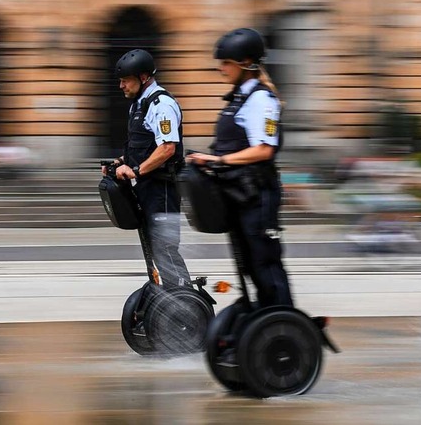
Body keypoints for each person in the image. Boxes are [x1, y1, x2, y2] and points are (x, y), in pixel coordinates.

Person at [187, 28, 293, 307]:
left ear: (245, 62)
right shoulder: (238, 99)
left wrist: (218, 161)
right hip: (237, 195)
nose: (221, 69)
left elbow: (264, 149)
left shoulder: (262, 100)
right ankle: (262, 320)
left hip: (257, 196)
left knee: (265, 264)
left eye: (226, 63)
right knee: (247, 264)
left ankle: (282, 323)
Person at [104, 49, 190, 289]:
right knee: (154, 247)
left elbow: (167, 149)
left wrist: (137, 171)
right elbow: (145, 146)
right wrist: (121, 162)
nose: (121, 85)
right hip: (146, 187)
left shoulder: (161, 104)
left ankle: (184, 298)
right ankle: (167, 297)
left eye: (125, 80)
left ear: (143, 78)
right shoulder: (138, 106)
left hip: (162, 189)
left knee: (164, 248)